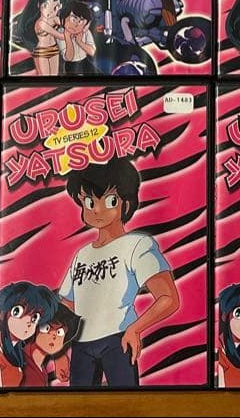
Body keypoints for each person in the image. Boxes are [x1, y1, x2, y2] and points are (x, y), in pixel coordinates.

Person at [59, 160, 180, 387]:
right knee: (78, 404)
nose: (97, 210)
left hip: (118, 340)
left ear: (126, 204)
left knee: (127, 401)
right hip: (81, 345)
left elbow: (169, 298)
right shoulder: (82, 254)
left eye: (109, 201)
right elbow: (67, 304)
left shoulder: (137, 245)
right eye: (89, 202)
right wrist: (60, 351)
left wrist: (135, 328)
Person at [0, 282, 59, 388]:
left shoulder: (18, 351)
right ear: (2, 313)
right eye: (18, 312)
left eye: (34, 318)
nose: (28, 322)